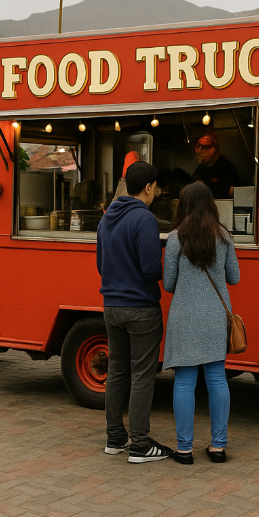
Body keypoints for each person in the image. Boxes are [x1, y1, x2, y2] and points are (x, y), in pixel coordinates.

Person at [96, 160, 174, 463]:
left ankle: (115, 438)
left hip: (111, 306)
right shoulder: (144, 219)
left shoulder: (107, 218)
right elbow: (150, 268)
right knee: (142, 376)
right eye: (156, 189)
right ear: (149, 187)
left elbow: (100, 265)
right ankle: (141, 444)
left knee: (116, 373)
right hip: (141, 308)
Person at [163, 181, 239, 465]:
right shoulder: (224, 237)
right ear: (211, 204)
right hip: (215, 318)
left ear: (183, 204)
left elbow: (169, 284)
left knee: (184, 381)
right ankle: (218, 447)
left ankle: (184, 450)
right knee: (217, 378)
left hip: (184, 317)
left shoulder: (175, 239)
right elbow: (235, 278)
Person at [190, 131, 241, 199]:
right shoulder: (200, 169)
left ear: (215, 148)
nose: (200, 151)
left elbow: (227, 195)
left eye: (204, 147)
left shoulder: (227, 168)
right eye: (198, 147)